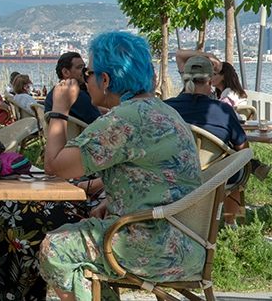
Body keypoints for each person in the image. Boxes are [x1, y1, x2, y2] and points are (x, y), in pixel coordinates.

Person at [39, 32, 204, 301]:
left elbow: (54, 166)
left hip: (152, 246)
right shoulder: (162, 110)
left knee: (55, 248)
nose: (84, 81)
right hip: (186, 240)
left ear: (105, 80)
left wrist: (59, 109)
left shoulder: (123, 120)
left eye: (88, 74)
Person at [164, 54, 249, 225]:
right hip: (216, 178)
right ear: (210, 82)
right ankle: (230, 225)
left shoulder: (165, 108)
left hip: (174, 175)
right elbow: (243, 148)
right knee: (236, 165)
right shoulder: (223, 110)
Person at [43, 52, 103, 123]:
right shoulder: (79, 96)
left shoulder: (52, 94)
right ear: (65, 72)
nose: (85, 71)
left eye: (84, 67)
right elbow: (100, 122)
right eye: (80, 67)